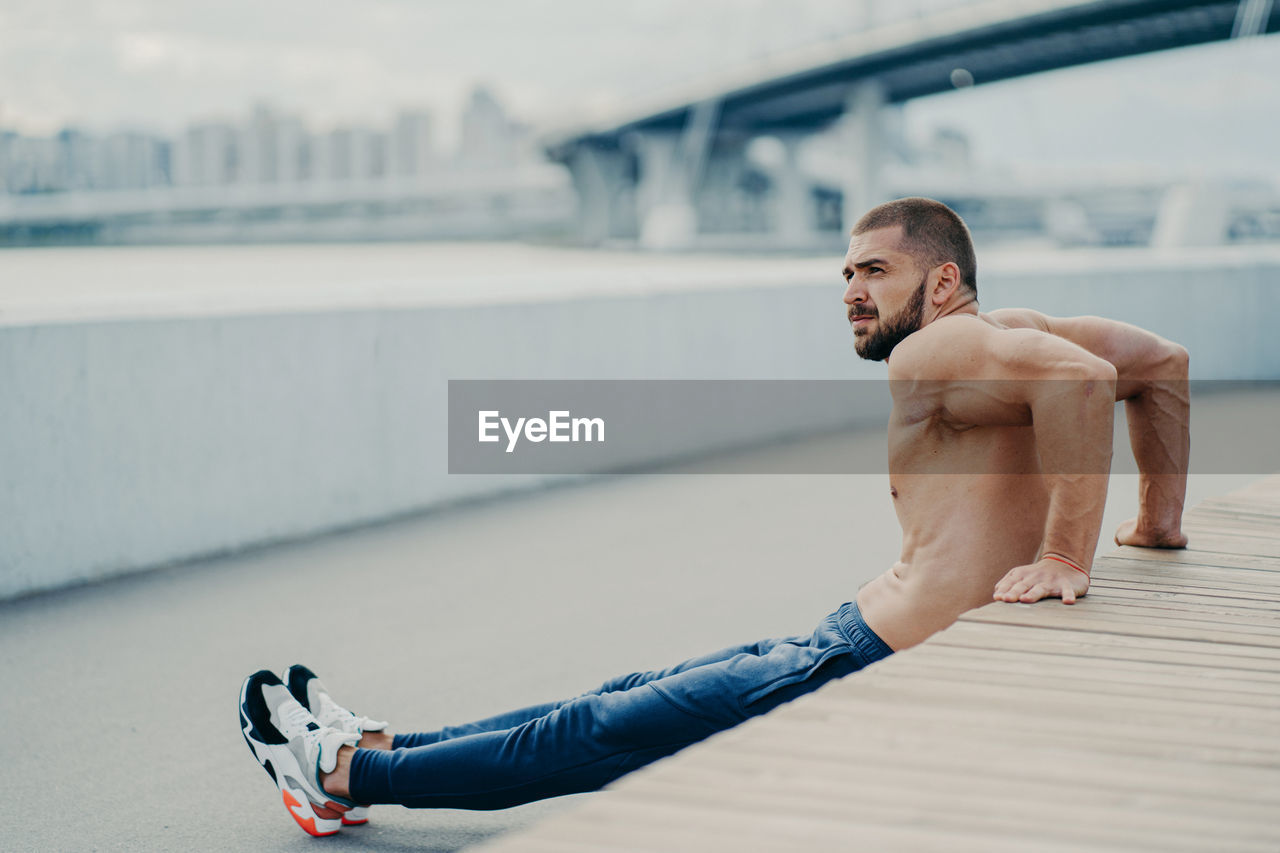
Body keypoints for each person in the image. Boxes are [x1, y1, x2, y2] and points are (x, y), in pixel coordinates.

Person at [238, 197, 1191, 836]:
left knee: (595, 733)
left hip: (860, 663)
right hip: (847, 634)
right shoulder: (1011, 329)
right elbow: (1162, 368)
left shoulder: (934, 350)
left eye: (875, 273)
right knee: (611, 700)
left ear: (941, 284)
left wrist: (1070, 553)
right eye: (846, 275)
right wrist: (1156, 522)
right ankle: (377, 745)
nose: (853, 292)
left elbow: (1093, 380)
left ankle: (338, 777)